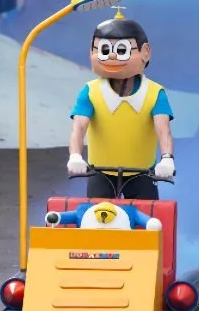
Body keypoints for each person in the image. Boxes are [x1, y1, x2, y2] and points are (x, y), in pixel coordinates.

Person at [67, 13, 174, 200]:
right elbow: (79, 127)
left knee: (149, 223)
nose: (113, 56)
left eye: (122, 50)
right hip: (100, 172)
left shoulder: (155, 93)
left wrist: (167, 158)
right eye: (105, 50)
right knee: (97, 219)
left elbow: (163, 129)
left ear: (145, 52)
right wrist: (75, 155)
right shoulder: (90, 92)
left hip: (142, 173)